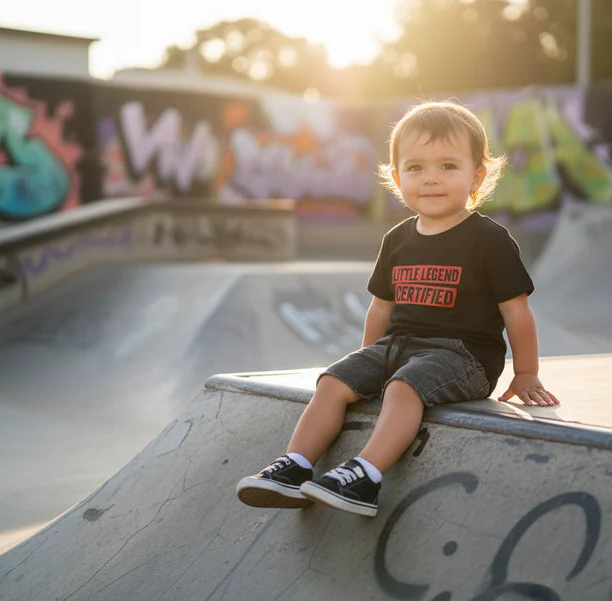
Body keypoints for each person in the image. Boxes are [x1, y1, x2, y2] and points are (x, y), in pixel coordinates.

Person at [236, 100, 559, 517]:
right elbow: (379, 308)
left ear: (477, 176)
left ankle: (366, 476)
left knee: (403, 388)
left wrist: (526, 371)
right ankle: (295, 466)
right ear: (396, 177)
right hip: (398, 347)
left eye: (447, 166)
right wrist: (367, 364)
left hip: (462, 356)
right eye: (416, 168)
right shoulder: (397, 239)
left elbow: (517, 312)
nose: (431, 179)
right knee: (333, 382)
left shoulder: (489, 240)